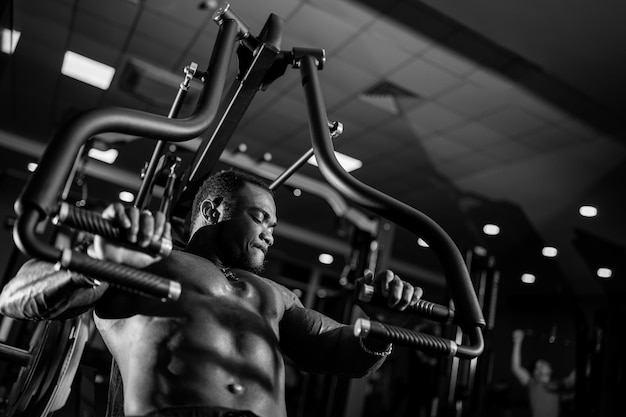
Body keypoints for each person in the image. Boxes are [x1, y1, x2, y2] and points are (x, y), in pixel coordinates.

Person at [0, 169, 423, 417]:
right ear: (212, 211)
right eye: (261, 219)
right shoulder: (147, 258)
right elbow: (14, 297)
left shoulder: (274, 293)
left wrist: (386, 329)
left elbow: (337, 351)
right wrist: (97, 259)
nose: (269, 236)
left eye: (273, 227)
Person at [511, 329, 575, 417]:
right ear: (536, 372)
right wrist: (518, 341)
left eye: (544, 363)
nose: (546, 363)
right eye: (541, 364)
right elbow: (516, 368)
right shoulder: (533, 384)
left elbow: (572, 379)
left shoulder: (556, 385)